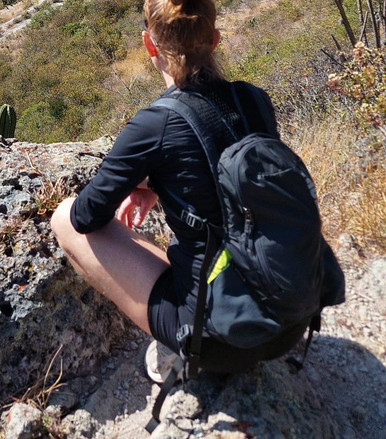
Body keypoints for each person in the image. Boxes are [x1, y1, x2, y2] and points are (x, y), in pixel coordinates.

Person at [50, 0, 302, 383]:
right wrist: (155, 182)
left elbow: (87, 216)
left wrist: (143, 177)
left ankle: (179, 342)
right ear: (215, 40)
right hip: (291, 317)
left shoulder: (154, 124)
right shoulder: (254, 99)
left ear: (149, 45)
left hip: (223, 343)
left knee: (63, 218)